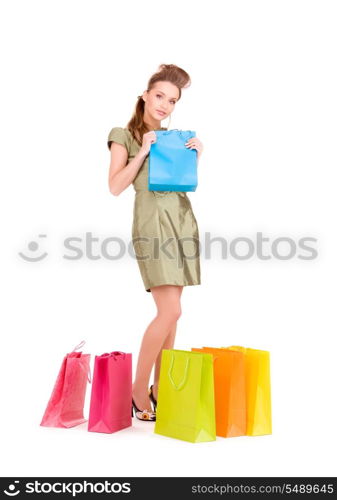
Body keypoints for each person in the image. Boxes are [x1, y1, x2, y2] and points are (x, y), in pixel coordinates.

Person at [107, 64, 203, 421]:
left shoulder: (175, 137)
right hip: (152, 224)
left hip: (180, 220)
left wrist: (195, 154)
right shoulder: (125, 134)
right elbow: (115, 186)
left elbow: (182, 184)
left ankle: (160, 388)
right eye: (160, 96)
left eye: (172, 100)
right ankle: (138, 389)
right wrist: (143, 151)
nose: (164, 105)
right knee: (170, 311)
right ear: (145, 95)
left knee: (173, 313)